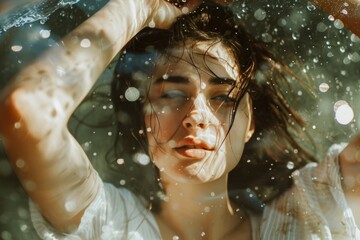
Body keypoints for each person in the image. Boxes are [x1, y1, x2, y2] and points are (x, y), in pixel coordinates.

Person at [0, 0, 359, 239]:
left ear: (249, 122)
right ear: (141, 115)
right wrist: (139, 7)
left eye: (223, 98)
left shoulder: (310, 218)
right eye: (172, 94)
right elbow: (30, 110)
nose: (195, 117)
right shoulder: (107, 224)